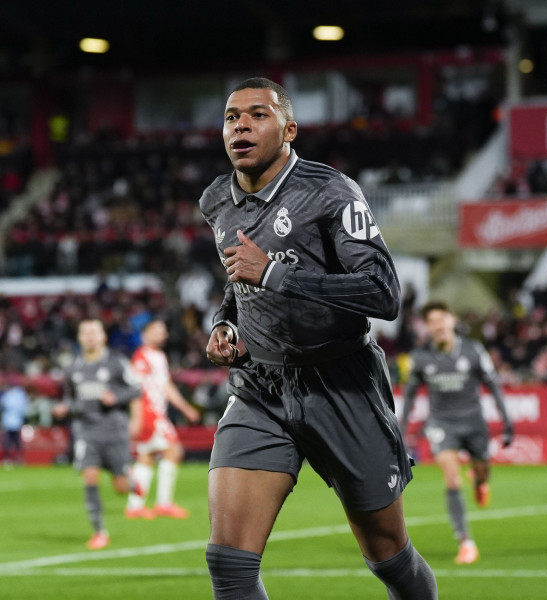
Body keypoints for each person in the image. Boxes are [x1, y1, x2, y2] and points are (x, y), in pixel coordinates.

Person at [200, 77, 437, 600]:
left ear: (289, 129)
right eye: (231, 115)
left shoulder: (331, 191)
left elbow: (384, 293)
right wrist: (226, 323)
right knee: (229, 564)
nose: (240, 124)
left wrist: (276, 276)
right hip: (259, 387)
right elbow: (239, 279)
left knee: (388, 555)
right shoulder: (217, 200)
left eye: (257, 114)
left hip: (341, 385)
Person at [399, 300, 514, 565]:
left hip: (474, 422)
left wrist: (507, 421)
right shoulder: (419, 358)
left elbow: (493, 385)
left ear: (451, 320)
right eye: (431, 322)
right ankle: (466, 542)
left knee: (483, 470)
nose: (437, 325)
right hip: (441, 424)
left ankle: (480, 480)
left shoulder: (473, 351)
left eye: (441, 319)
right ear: (427, 327)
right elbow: (409, 397)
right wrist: (402, 432)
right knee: (452, 479)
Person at [52, 319, 145, 550]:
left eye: (94, 332)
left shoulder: (116, 362)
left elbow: (136, 388)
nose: (90, 336)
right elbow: (70, 397)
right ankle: (99, 532)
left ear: (103, 336)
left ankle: (132, 482)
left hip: (113, 431)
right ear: (80, 338)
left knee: (120, 487)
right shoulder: (72, 367)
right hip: (86, 431)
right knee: (90, 478)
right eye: (85, 332)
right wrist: (64, 407)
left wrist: (117, 397)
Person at [125, 318, 201, 520]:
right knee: (174, 451)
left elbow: (166, 386)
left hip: (156, 413)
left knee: (147, 457)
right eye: (157, 330)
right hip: (149, 413)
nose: (163, 334)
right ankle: (163, 504)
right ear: (145, 334)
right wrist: (138, 417)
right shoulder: (141, 357)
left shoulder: (158, 356)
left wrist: (185, 409)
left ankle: (135, 506)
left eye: (164, 331)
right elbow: (137, 389)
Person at [1, 375, 29, 466]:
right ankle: (8, 458)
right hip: (8, 421)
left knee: (16, 442)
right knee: (7, 442)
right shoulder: (6, 394)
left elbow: (21, 407)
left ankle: (18, 459)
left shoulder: (18, 394)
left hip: (16, 421)